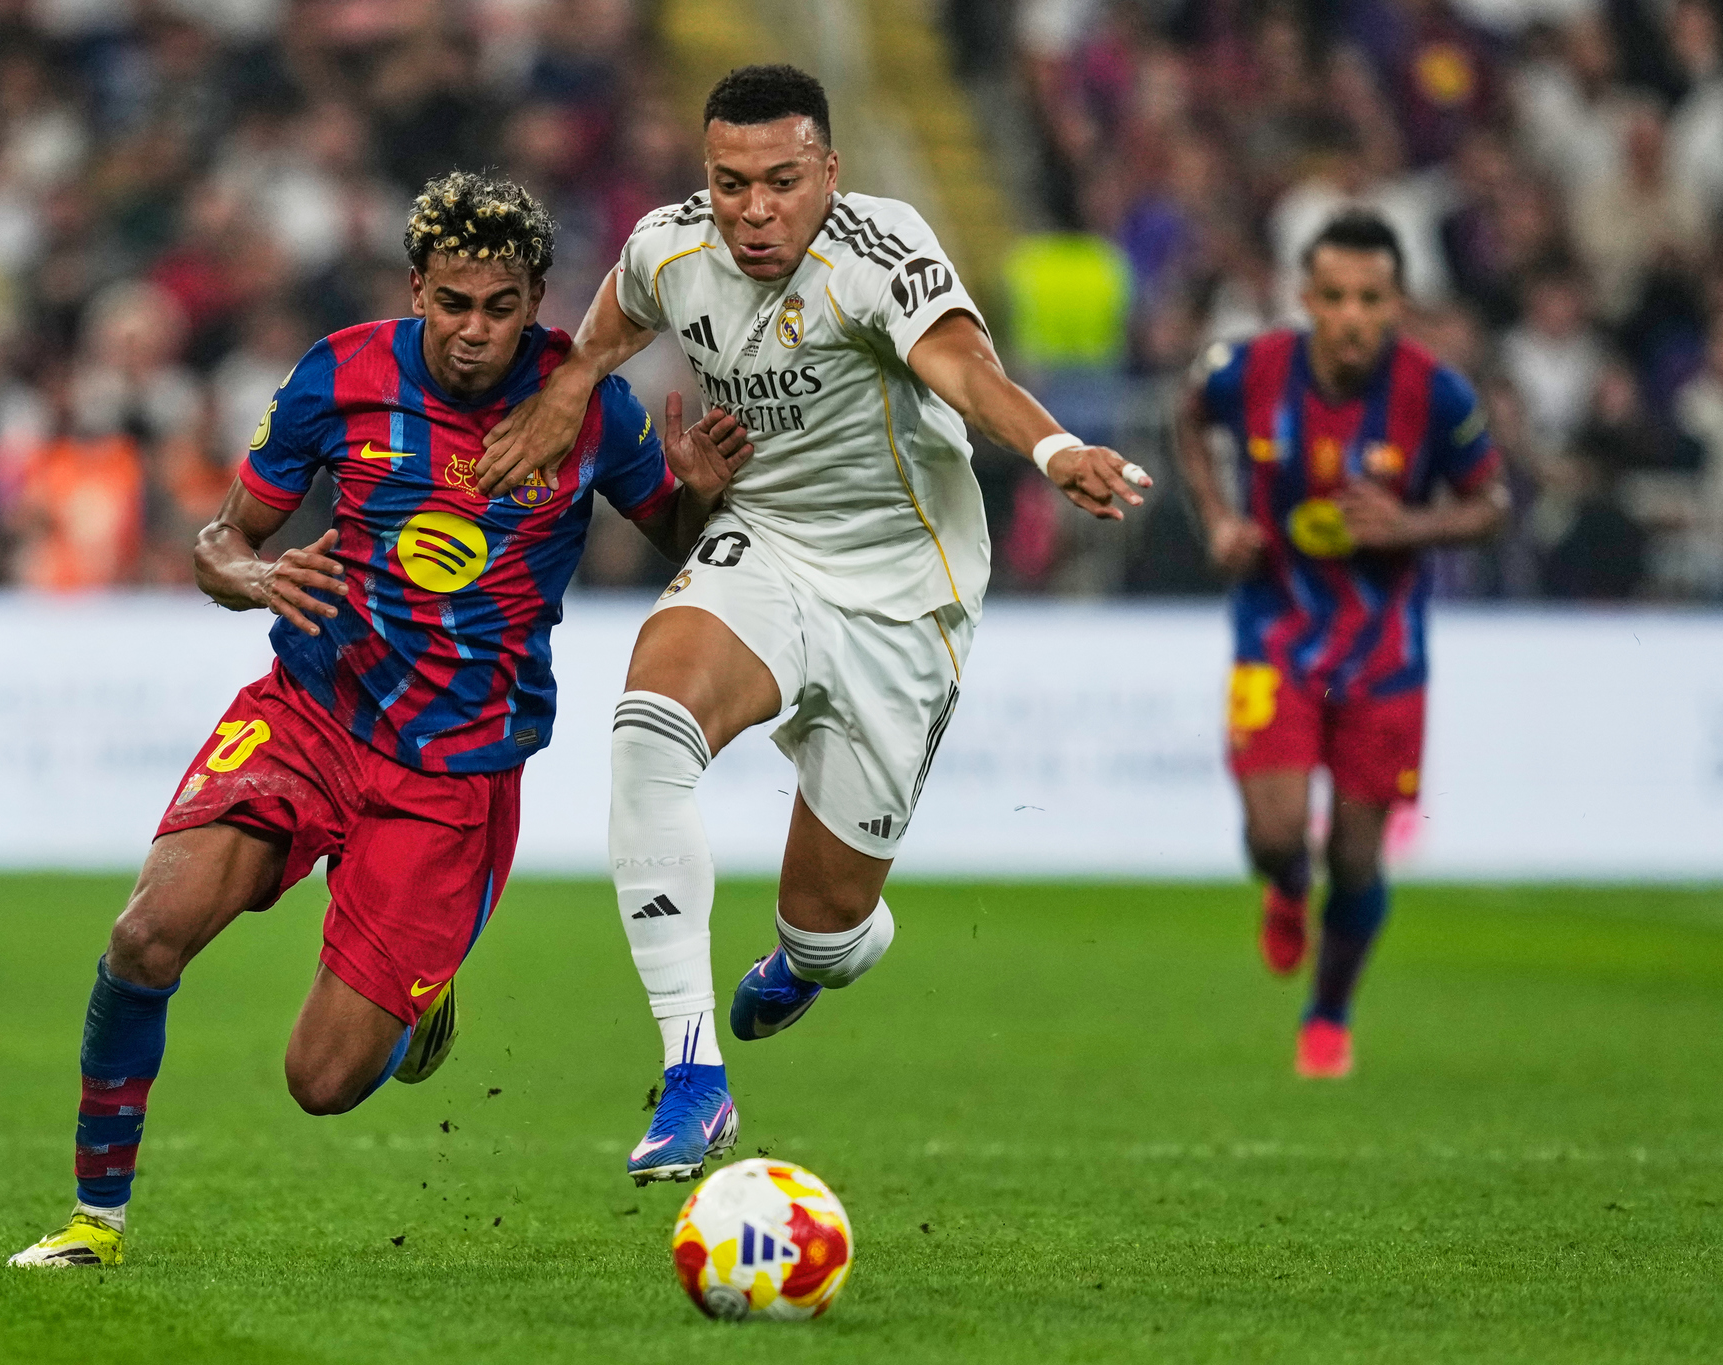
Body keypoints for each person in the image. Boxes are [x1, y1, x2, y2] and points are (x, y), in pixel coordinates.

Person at [8, 171, 748, 1266]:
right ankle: (92, 1222)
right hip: (314, 706)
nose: (474, 331)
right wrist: (253, 576)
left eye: (501, 308)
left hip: (454, 772)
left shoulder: (587, 406)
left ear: (537, 301)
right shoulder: (340, 374)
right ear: (416, 291)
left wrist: (695, 493)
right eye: (453, 303)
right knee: (143, 936)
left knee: (321, 1083)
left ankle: (416, 993)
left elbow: (683, 549)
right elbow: (219, 541)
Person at [477, 65, 1151, 1185]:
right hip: (766, 547)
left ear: (826, 175)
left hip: (903, 592)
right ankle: (692, 1075)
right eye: (730, 182)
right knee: (648, 725)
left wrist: (1052, 451)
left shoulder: (877, 252)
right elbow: (606, 331)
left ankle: (818, 956)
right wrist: (569, 386)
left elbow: (964, 367)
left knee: (830, 930)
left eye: (780, 182)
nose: (752, 209)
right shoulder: (666, 246)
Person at [1173, 209, 1508, 1079]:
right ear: (1304, 297)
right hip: (1274, 634)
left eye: (1370, 298)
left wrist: (1413, 523)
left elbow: (1493, 503)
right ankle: (1286, 888)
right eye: (1335, 296)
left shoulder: (1437, 394)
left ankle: (1328, 1013)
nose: (1353, 315)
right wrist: (1217, 520)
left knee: (1357, 858)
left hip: (1385, 657)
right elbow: (1186, 417)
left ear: (1398, 302)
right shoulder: (1254, 371)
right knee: (1275, 832)